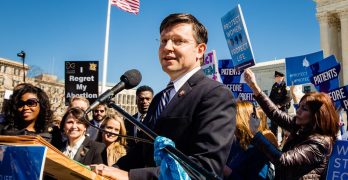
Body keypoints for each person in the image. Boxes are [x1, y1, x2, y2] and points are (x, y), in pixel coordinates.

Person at [90, 13, 236, 179]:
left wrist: (130, 176)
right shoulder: (159, 98)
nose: (167, 47)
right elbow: (142, 151)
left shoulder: (215, 94)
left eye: (178, 41)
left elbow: (204, 168)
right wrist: (105, 170)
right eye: (163, 41)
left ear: (200, 50)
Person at [243, 68, 339, 179]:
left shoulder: (320, 143)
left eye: (304, 109)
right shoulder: (301, 126)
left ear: (316, 116)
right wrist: (254, 87)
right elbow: (275, 114)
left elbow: (283, 161)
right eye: (299, 107)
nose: (298, 111)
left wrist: (256, 133)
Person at [224, 101, 276, 180]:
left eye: (231, 116)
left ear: (241, 119)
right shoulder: (233, 144)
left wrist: (229, 173)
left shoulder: (258, 150)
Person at [125, 85, 154, 149]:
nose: (144, 102)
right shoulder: (128, 121)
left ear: (153, 101)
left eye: (148, 99)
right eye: (141, 99)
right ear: (136, 101)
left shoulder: (156, 120)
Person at [269, 71, 291, 138]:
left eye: (277, 77)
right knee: (273, 125)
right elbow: (271, 97)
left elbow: (288, 98)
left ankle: (283, 142)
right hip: (275, 108)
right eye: (275, 77)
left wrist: (280, 105)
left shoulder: (286, 86)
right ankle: (274, 141)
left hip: (283, 108)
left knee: (283, 126)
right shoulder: (274, 86)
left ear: (282, 77)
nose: (276, 78)